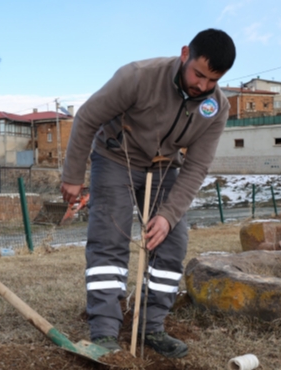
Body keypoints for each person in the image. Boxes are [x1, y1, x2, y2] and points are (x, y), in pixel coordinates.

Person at [60, 29, 235, 358]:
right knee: (109, 240)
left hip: (165, 168)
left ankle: (151, 325)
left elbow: (197, 166)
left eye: (213, 80)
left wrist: (167, 217)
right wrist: (72, 175)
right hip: (116, 158)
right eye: (198, 74)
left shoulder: (217, 107)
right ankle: (105, 333)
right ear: (185, 53)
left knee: (172, 242)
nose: (202, 86)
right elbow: (86, 118)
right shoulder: (138, 77)